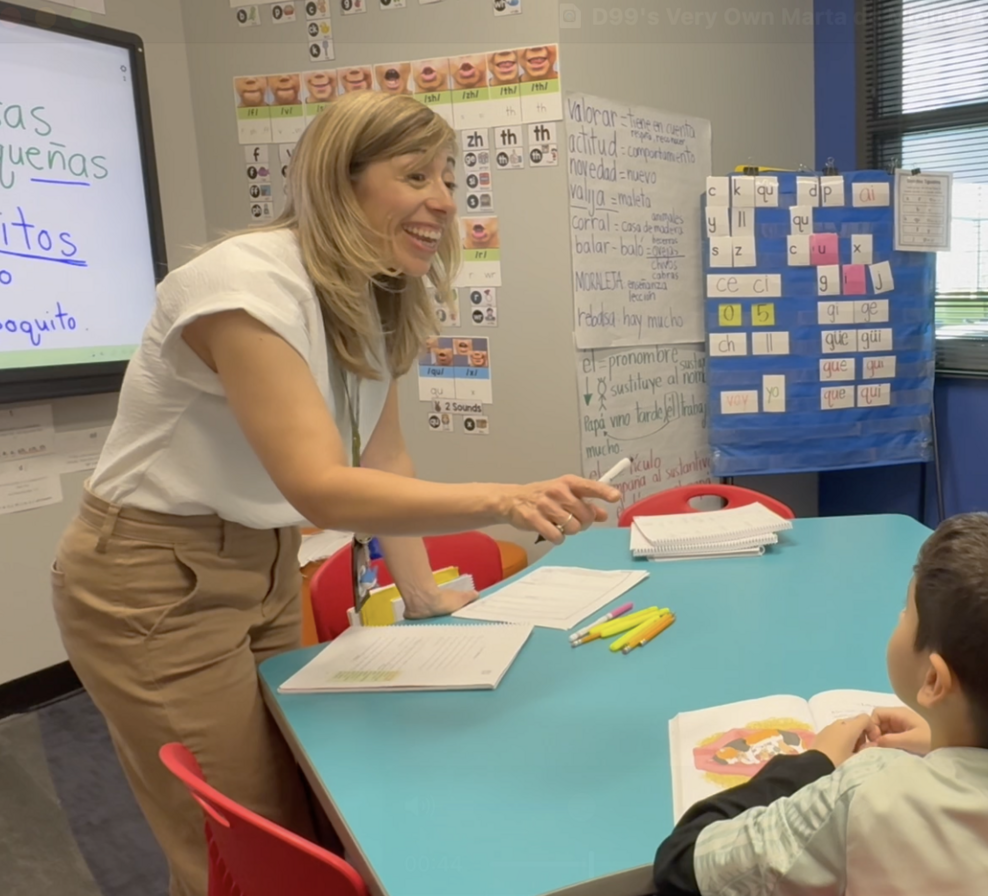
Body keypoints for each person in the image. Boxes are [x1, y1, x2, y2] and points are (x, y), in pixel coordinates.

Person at [50, 90, 620, 896]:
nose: (445, 201)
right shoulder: (243, 285)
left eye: (450, 177)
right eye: (415, 174)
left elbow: (385, 460)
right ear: (339, 183)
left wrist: (422, 596)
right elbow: (321, 489)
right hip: (151, 577)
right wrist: (507, 497)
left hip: (263, 563)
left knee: (314, 793)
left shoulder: (381, 298)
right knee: (250, 841)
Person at [654, 513, 988, 896]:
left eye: (906, 612)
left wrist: (815, 763)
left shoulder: (865, 793)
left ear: (935, 681)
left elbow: (684, 862)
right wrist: (947, 735)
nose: (899, 617)